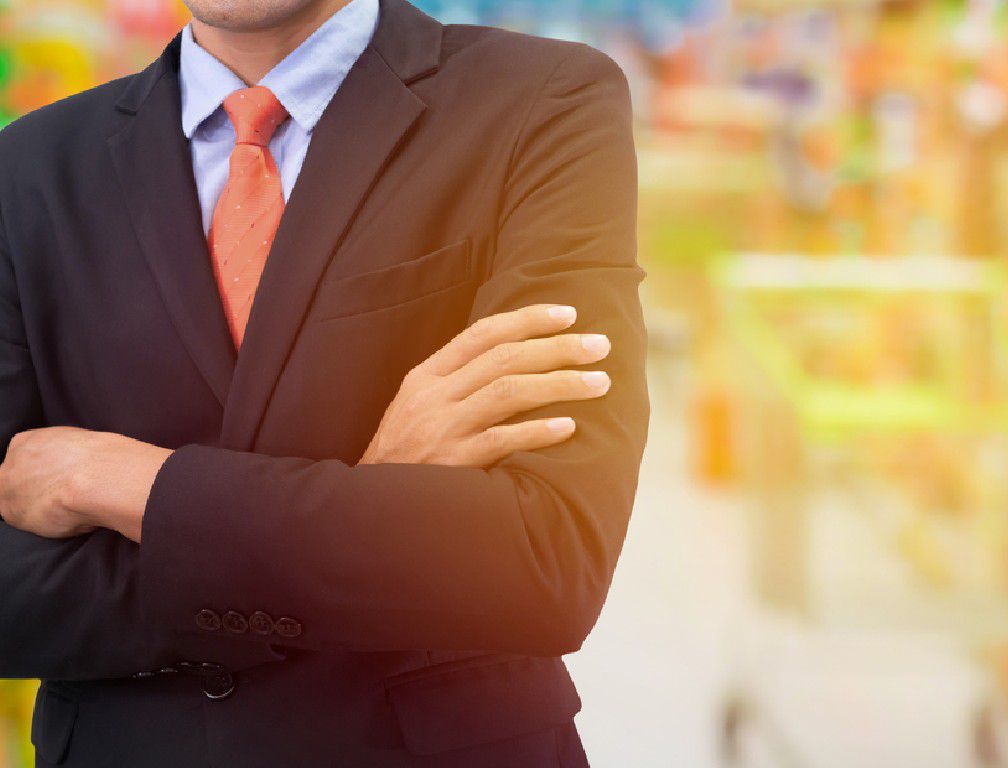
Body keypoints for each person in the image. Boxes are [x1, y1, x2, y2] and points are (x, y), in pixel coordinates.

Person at [0, 0, 649, 764]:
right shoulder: (29, 167)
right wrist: (372, 493)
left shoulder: (540, 104)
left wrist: (124, 483)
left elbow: (542, 562)